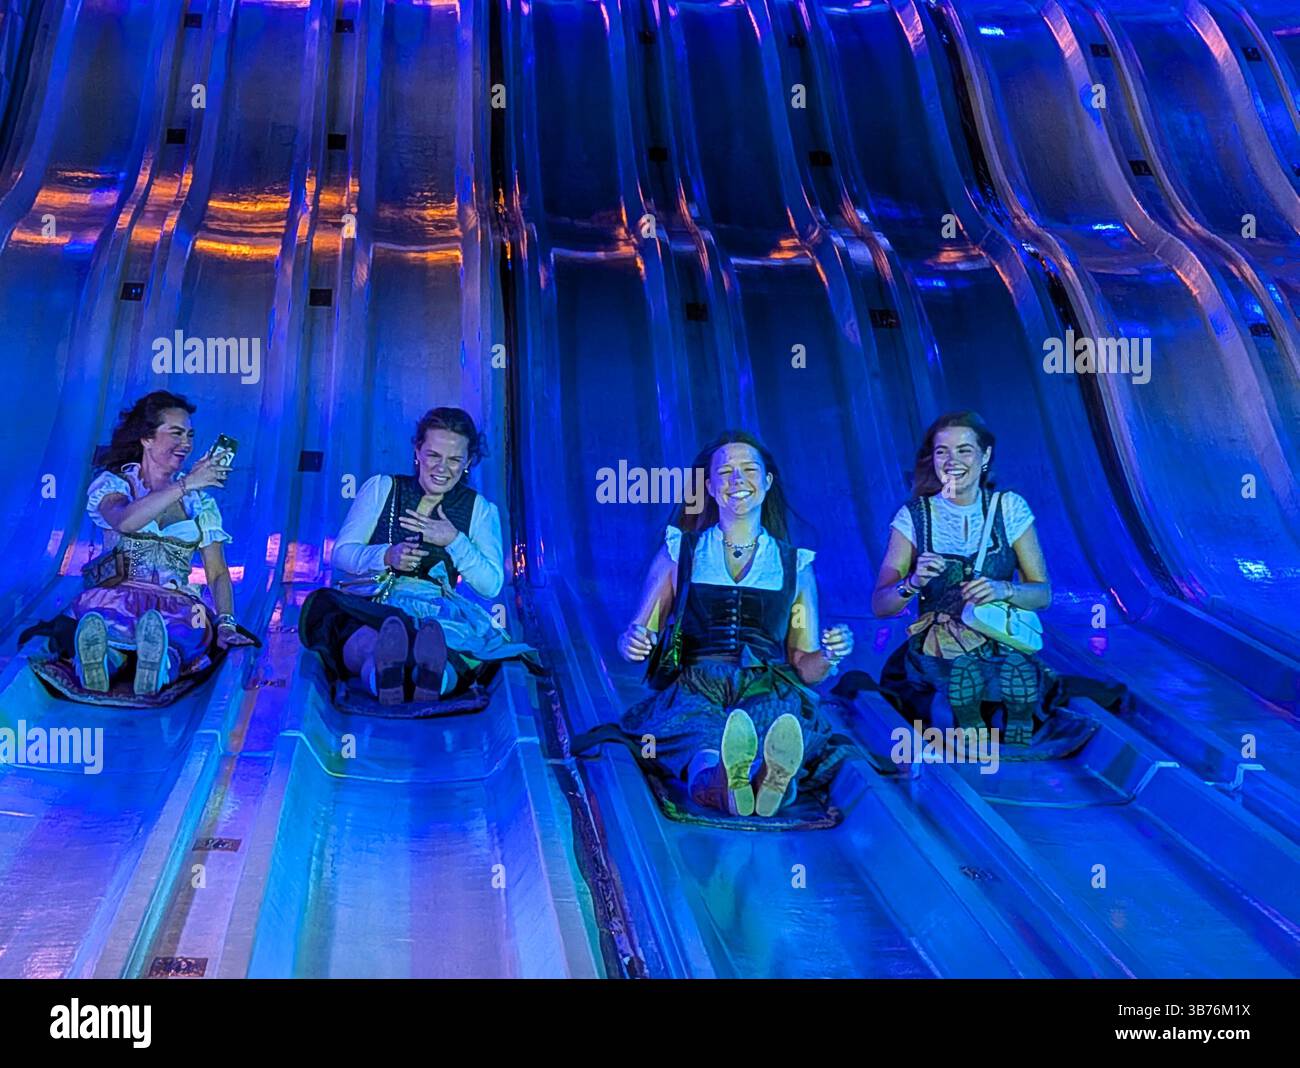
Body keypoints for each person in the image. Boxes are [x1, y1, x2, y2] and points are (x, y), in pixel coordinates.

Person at [616, 431, 855, 817]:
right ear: (709, 487)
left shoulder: (795, 565)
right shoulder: (682, 552)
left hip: (766, 684)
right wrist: (633, 641)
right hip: (697, 683)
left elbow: (805, 668)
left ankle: (770, 778)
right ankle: (723, 782)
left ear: (767, 482)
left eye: (748, 470)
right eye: (725, 472)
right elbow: (638, 632)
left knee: (776, 721)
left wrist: (829, 654)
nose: (737, 480)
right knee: (701, 732)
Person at [298, 406, 532, 704]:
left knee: (450, 646)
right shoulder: (383, 489)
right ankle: (385, 676)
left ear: (469, 461)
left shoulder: (479, 510)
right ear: (417, 450)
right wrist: (386, 555)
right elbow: (342, 554)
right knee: (371, 640)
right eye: (433, 455)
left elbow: (491, 585)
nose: (442, 468)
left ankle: (432, 677)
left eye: (455, 459)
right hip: (376, 604)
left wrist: (454, 540)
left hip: (436, 612)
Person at [870, 411, 1052, 745]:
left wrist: (1003, 588)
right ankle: (964, 717)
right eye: (943, 452)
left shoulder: (1008, 508)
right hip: (935, 651)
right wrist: (911, 583)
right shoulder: (913, 517)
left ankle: (999, 713)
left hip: (996, 642)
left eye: (964, 450)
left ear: (985, 456)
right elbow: (881, 605)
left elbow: (1042, 594)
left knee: (1005, 705)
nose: (952, 460)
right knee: (943, 709)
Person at [67, 391, 252, 695]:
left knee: (178, 631)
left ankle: (158, 663)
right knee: (109, 622)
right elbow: (125, 521)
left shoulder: (200, 504)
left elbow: (217, 572)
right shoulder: (116, 485)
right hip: (119, 593)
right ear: (146, 438)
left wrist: (227, 623)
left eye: (190, 435)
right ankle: (105, 659)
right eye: (176, 433)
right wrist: (186, 484)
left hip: (176, 602)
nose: (187, 443)